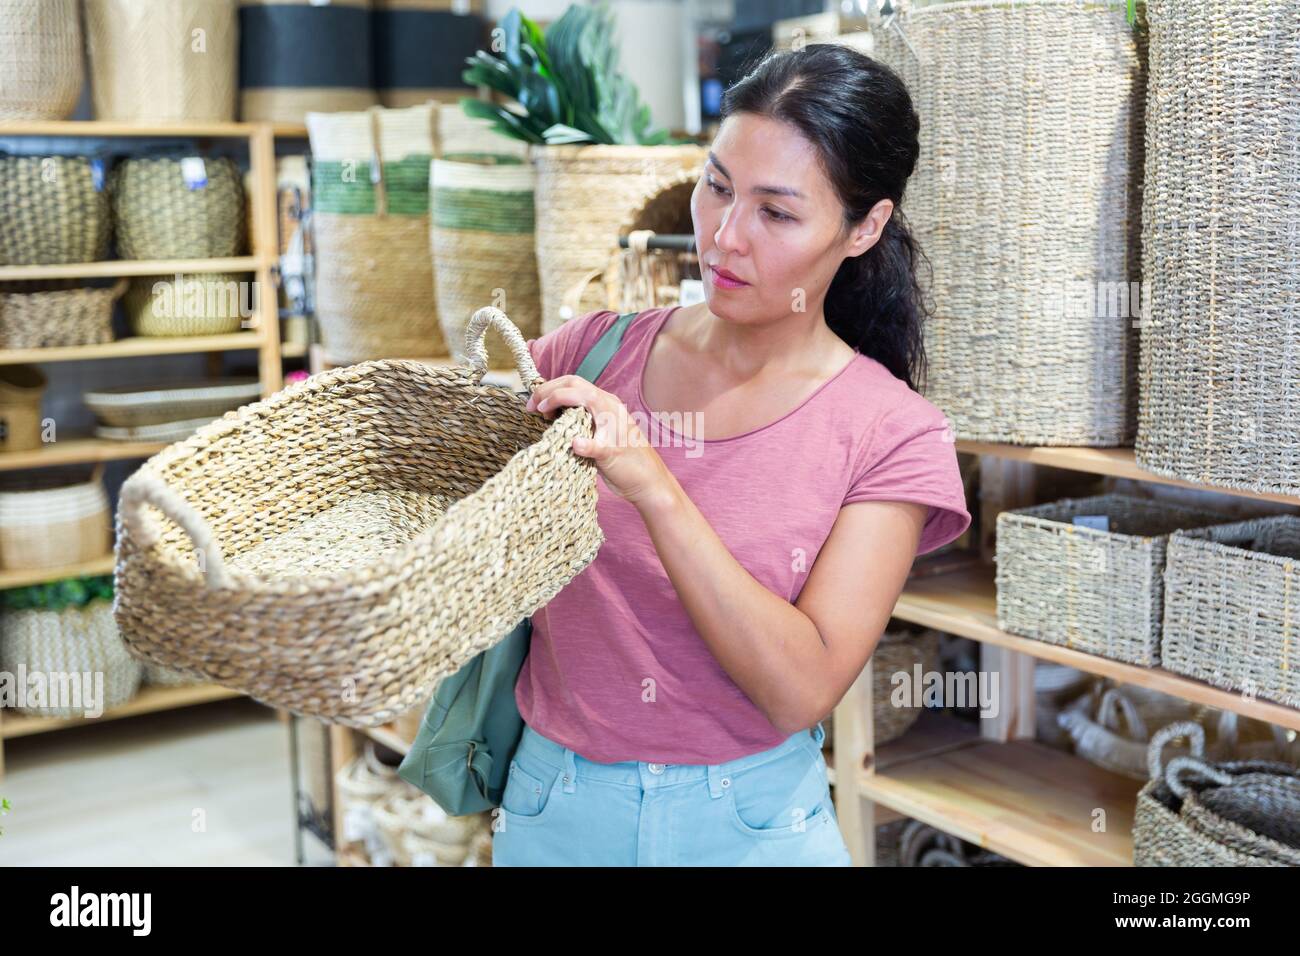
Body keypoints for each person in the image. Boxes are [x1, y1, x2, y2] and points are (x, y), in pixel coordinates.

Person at [493, 43, 971, 866]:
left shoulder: (892, 434)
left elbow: (800, 690)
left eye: (776, 213)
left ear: (866, 227)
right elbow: (438, 467)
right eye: (716, 187)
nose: (723, 238)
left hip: (749, 825)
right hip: (552, 808)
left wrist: (656, 488)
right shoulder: (591, 354)